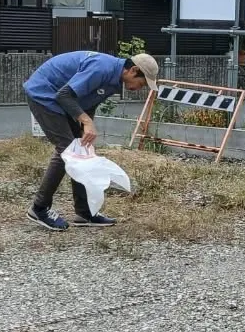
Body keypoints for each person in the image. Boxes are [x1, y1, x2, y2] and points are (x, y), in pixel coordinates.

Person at [23, 49, 159, 231]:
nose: (139, 88)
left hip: (61, 100)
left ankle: (85, 212)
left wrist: (86, 128)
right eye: (142, 83)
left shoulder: (116, 78)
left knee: (81, 149)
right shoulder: (101, 68)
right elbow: (63, 95)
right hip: (44, 95)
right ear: (133, 70)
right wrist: (85, 121)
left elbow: (90, 101)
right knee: (68, 150)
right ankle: (39, 208)